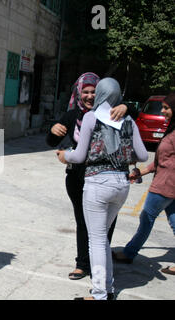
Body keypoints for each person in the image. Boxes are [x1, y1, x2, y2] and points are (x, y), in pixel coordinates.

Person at [57, 78, 148, 300]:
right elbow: (144, 155)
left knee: (95, 239)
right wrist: (123, 153)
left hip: (98, 183)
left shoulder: (91, 117)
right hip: (121, 185)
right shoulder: (128, 120)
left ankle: (99, 294)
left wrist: (63, 156)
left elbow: (79, 155)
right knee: (102, 238)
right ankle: (107, 288)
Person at [47, 72, 127, 280]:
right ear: (78, 93)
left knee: (106, 223)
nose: (90, 96)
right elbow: (51, 142)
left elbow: (130, 123)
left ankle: (100, 265)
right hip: (77, 178)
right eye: (86, 92)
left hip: (107, 178)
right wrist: (53, 130)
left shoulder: (112, 113)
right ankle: (82, 264)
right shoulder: (72, 116)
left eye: (94, 92)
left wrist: (126, 106)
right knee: (83, 222)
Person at [112, 93, 175, 268]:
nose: (163, 111)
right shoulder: (172, 128)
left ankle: (129, 253)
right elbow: (161, 161)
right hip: (167, 185)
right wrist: (141, 172)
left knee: (146, 219)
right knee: (174, 221)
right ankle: (129, 252)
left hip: (164, 186)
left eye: (166, 108)